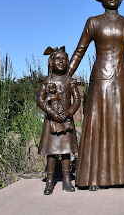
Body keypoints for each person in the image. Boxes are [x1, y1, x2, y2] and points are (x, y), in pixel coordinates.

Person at [68, 0, 124, 190]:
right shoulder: (93, 22)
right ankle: (94, 177)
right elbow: (79, 50)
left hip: (122, 80)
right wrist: (66, 75)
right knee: (98, 125)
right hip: (100, 80)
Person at [36, 46, 80, 195]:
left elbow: (77, 100)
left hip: (67, 120)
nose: (61, 61)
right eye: (58, 59)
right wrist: (52, 112)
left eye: (64, 59)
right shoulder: (46, 81)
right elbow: (40, 100)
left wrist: (69, 112)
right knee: (52, 152)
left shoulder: (70, 81)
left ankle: (67, 180)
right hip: (52, 122)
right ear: (51, 62)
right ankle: (49, 182)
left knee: (66, 151)